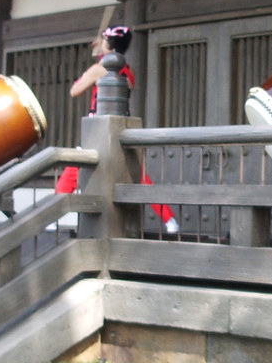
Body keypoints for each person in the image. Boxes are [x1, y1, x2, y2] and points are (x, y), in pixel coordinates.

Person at [55, 24, 179, 233]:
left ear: (109, 43)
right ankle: (169, 220)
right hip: (120, 127)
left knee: (73, 170)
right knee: (138, 176)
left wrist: (92, 67)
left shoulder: (98, 69)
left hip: (98, 129)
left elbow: (75, 90)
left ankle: (53, 213)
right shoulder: (129, 72)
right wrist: (102, 53)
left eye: (104, 39)